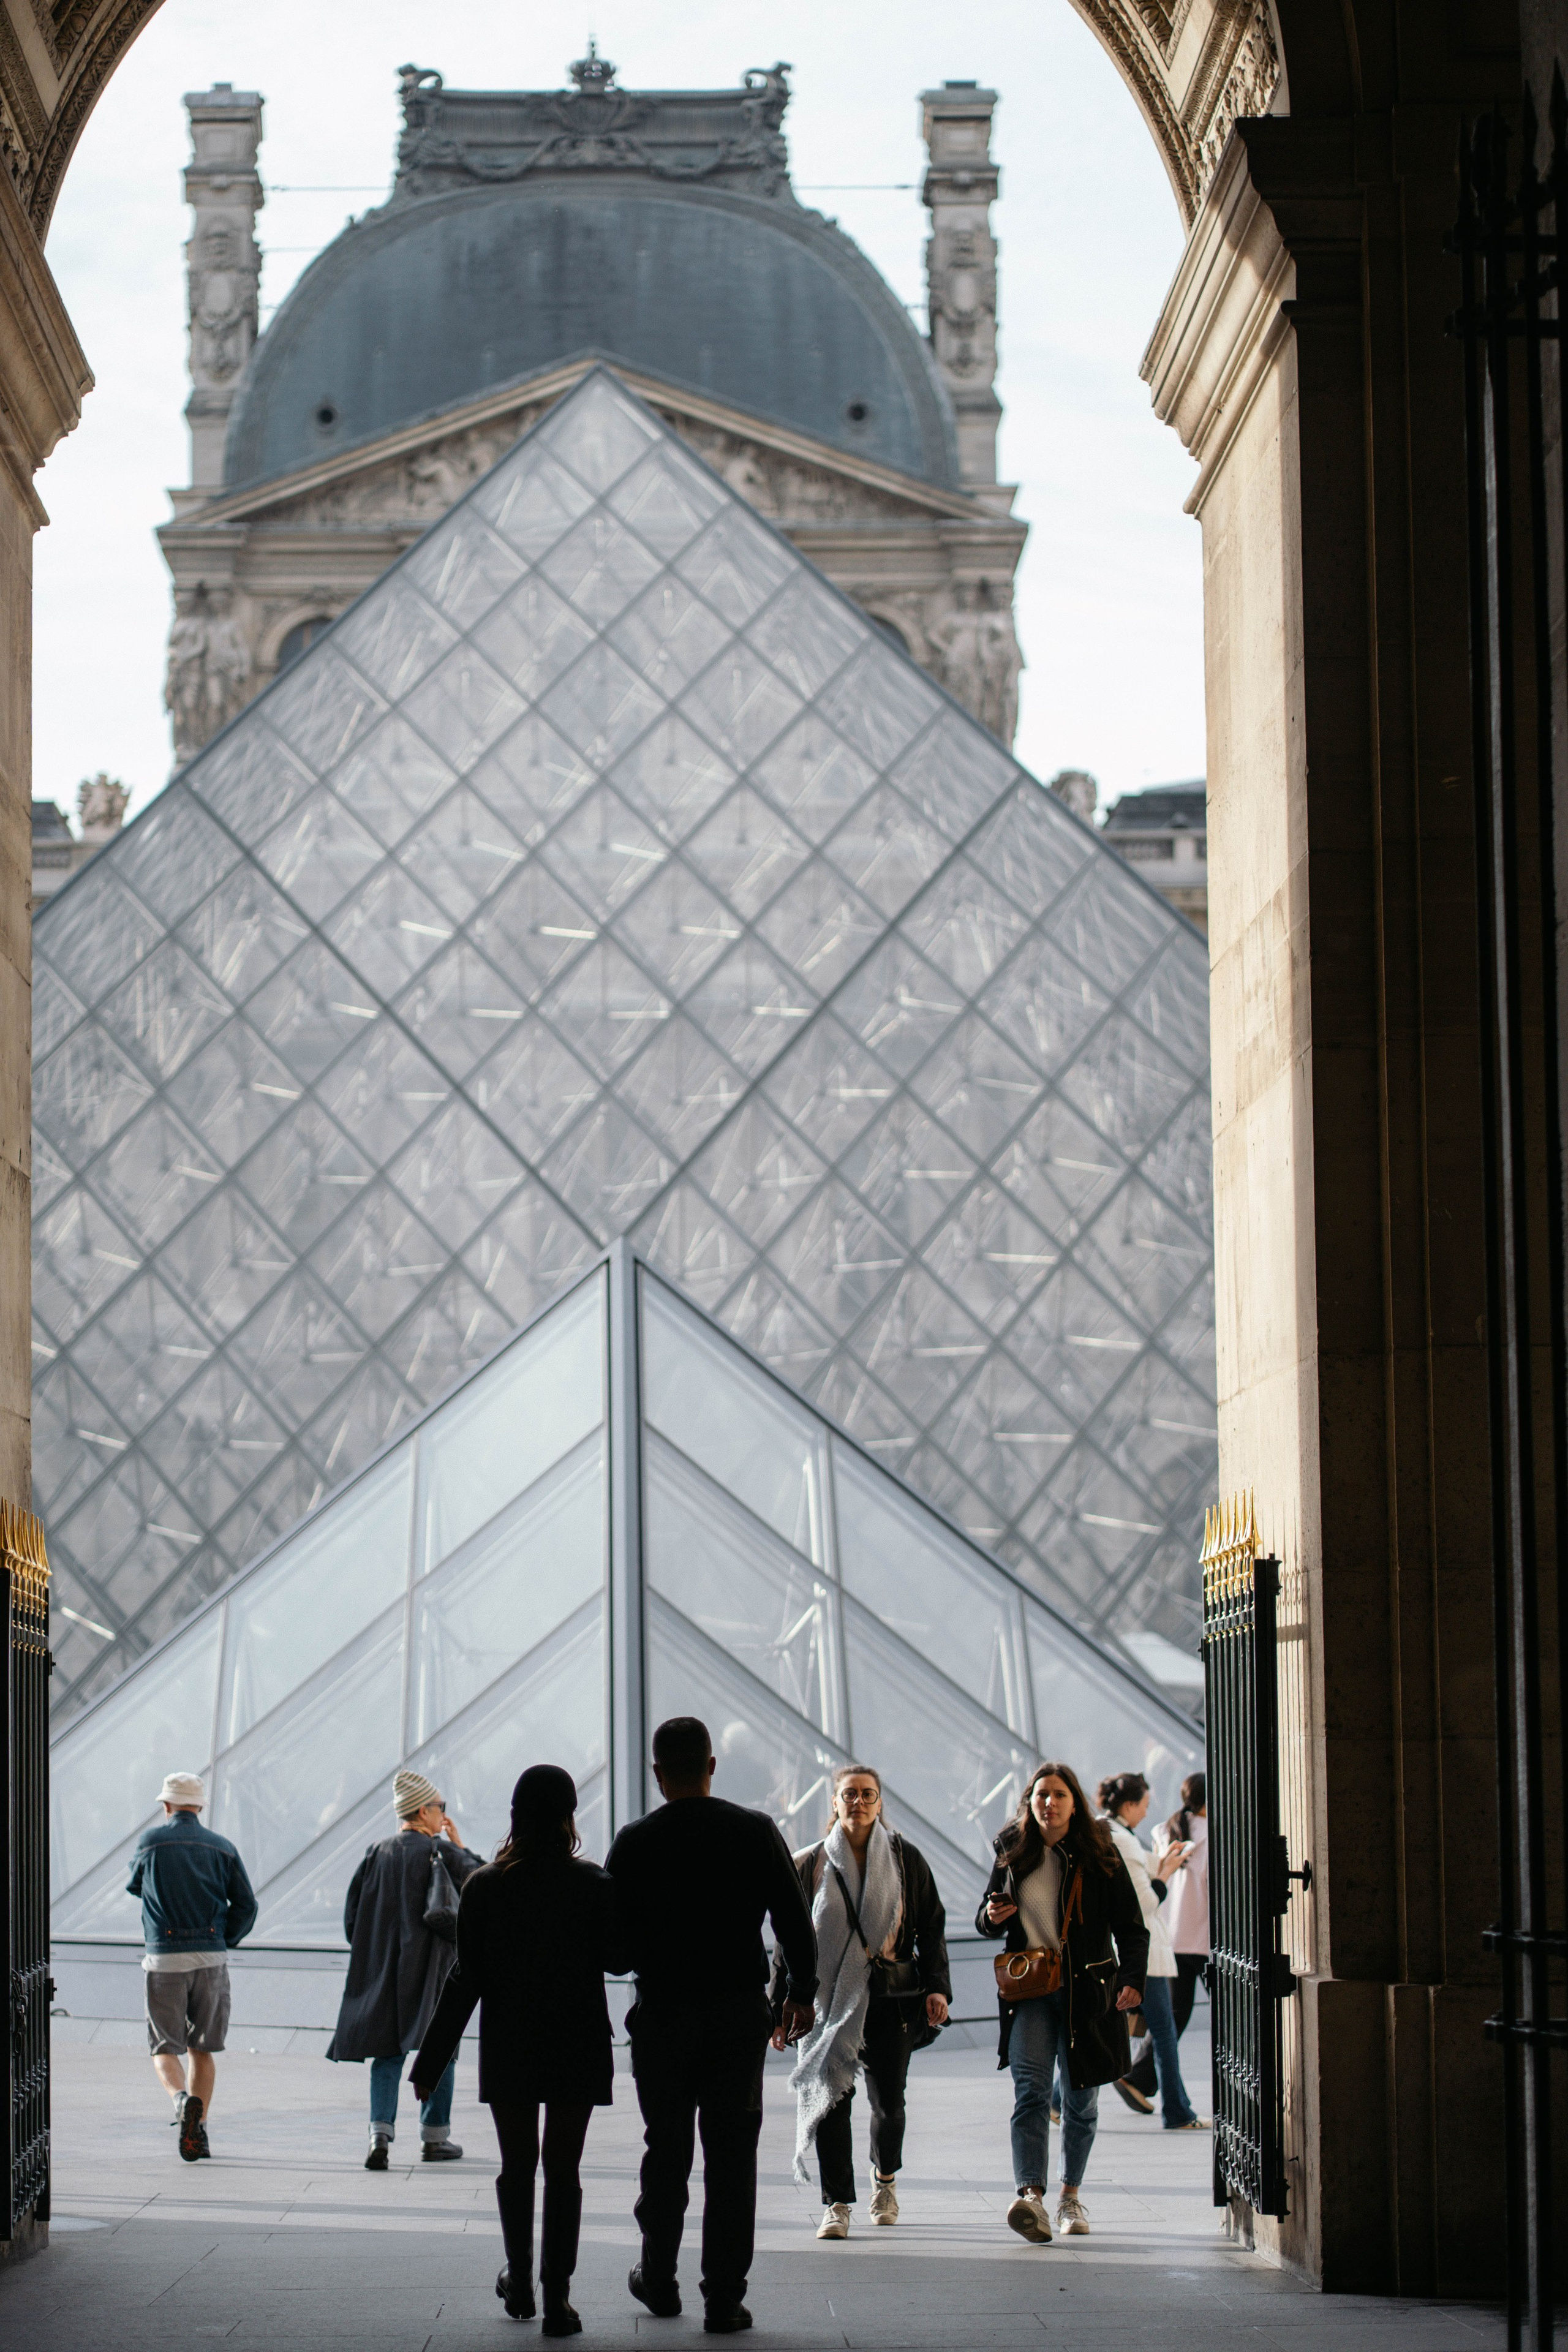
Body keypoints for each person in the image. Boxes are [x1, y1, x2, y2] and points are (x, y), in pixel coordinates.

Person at [605, 1716, 818, 2335]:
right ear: (712, 1765)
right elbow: (793, 1922)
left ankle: (659, 2277)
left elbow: (615, 1953)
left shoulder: (635, 1840)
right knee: (732, 2157)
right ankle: (724, 2296)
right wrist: (798, 1993)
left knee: (665, 2149)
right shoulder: (753, 1830)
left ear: (656, 1774)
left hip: (664, 2015)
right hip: (736, 2016)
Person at [413, 1766, 628, 2338]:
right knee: (564, 2170)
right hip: (577, 2042)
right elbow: (618, 1959)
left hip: (512, 2043)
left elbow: (467, 1979)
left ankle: (521, 2281)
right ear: (568, 1816)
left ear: (515, 1817)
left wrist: (430, 2062)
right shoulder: (594, 1883)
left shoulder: (485, 1884)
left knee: (517, 2167)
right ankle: (558, 2299)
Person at [771, 1764, 950, 2239]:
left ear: (880, 1802)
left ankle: (884, 2178)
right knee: (831, 2103)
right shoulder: (809, 1862)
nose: (859, 1802)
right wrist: (780, 2005)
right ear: (835, 1802)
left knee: (889, 2107)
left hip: (890, 1999)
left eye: (868, 1794)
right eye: (849, 1794)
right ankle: (836, 2203)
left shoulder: (904, 1858)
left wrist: (937, 1987)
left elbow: (931, 1925)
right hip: (828, 2004)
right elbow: (787, 1941)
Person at [976, 1759, 1148, 2244]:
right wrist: (992, 1915)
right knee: (1030, 2091)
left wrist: (1132, 1981)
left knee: (1081, 2099)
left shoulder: (1099, 1853)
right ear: (1029, 1803)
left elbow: (1132, 1929)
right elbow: (985, 1918)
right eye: (1041, 1795)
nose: (1049, 1803)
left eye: (1058, 1795)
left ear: (1075, 1802)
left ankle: (1071, 2196)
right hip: (1030, 1991)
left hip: (1088, 1994)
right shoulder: (1013, 1849)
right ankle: (1031, 2196)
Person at [326, 1768, 483, 2168]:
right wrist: (460, 1845)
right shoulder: (442, 1852)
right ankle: (434, 2138)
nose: (444, 1815)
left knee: (386, 2050)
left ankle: (380, 2133)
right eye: (441, 1808)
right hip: (433, 1970)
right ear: (423, 1811)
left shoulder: (377, 1853)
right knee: (440, 2049)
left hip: (384, 1970)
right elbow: (487, 1885)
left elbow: (352, 1918)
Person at [127, 1771, 257, 2163]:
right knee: (203, 2049)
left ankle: (182, 2101)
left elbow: (135, 1885)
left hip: (164, 1957)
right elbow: (247, 1906)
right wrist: (223, 1937)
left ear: (166, 1806)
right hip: (211, 1959)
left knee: (164, 2046)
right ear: (199, 1806)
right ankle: (197, 2132)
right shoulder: (223, 1847)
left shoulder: (151, 1842)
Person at [1098, 1771, 1207, 2133]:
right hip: (1148, 1950)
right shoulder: (1122, 1840)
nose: (1147, 1812)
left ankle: (1055, 2100)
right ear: (1129, 1805)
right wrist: (1166, 1875)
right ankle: (1177, 2111)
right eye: (1144, 1805)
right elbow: (1144, 1900)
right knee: (1162, 2033)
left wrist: (1165, 1864)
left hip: (1149, 1947)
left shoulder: (1119, 1834)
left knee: (1110, 2029)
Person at [1125, 1771, 1209, 2102]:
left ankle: (1139, 2078)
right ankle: (1140, 2078)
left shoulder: (1168, 1830)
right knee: (1230, 2011)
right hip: (1203, 1938)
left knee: (1175, 2013)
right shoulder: (1213, 1834)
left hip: (1171, 1935)